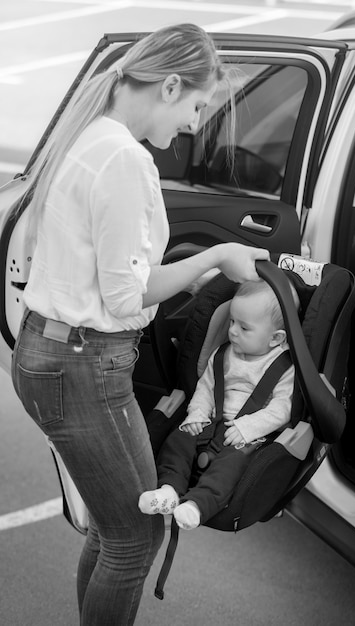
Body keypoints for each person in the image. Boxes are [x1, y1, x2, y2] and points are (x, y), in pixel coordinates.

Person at [11, 23, 269, 626]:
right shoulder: (126, 159)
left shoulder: (91, 136)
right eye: (199, 105)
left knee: (115, 530)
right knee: (133, 539)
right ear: (172, 84)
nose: (195, 124)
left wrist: (186, 274)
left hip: (57, 354)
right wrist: (212, 258)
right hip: (83, 369)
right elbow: (126, 297)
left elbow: (111, 273)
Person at [138, 278, 300, 530]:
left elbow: (283, 408)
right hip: (211, 421)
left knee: (231, 467)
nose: (233, 331)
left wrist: (249, 427)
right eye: (232, 322)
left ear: (275, 338)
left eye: (244, 328)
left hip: (248, 436)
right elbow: (206, 387)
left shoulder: (284, 367)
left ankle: (197, 505)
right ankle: (169, 490)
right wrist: (197, 414)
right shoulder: (224, 354)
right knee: (178, 440)